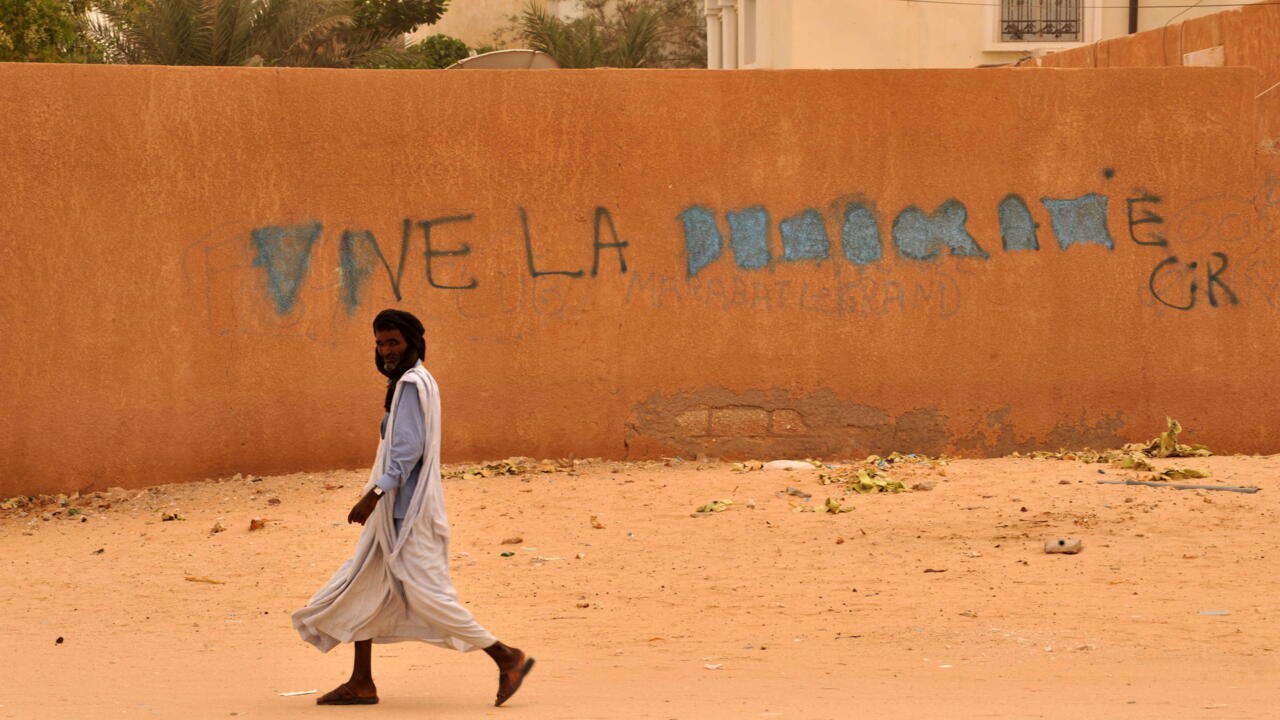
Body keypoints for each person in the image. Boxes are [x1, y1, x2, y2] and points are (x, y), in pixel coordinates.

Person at [292, 308, 534, 707]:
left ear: (412, 343)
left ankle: (506, 656)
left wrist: (374, 494)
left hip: (407, 514)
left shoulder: (410, 384)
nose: (386, 350)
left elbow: (406, 451)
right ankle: (361, 682)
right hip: (395, 514)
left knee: (429, 596)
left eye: (393, 342)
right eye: (380, 342)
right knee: (361, 586)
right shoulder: (417, 381)